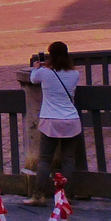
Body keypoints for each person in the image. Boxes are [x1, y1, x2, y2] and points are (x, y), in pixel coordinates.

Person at [28, 40, 82, 205]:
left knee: (45, 159)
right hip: (71, 119)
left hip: (50, 119)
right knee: (68, 160)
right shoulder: (75, 74)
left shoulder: (44, 73)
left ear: (50, 55)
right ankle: (67, 196)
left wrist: (38, 67)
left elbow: (33, 80)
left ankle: (39, 195)